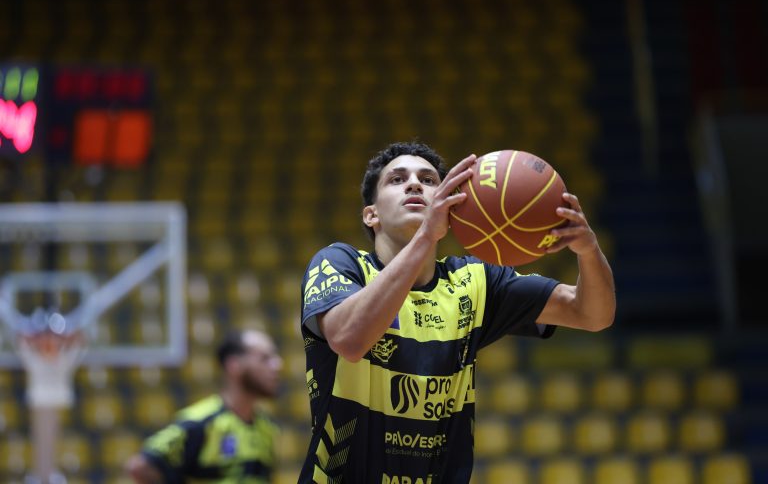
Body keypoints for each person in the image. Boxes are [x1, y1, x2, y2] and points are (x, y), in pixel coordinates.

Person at [299, 141, 615, 483]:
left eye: (428, 180)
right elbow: (349, 340)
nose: (414, 184)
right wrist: (425, 236)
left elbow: (593, 315)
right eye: (397, 179)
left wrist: (588, 251)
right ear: (371, 214)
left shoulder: (474, 281)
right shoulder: (339, 263)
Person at [126, 329, 283, 484]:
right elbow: (140, 466)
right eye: (264, 358)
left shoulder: (266, 427)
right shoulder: (201, 421)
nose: (277, 365)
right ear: (234, 365)